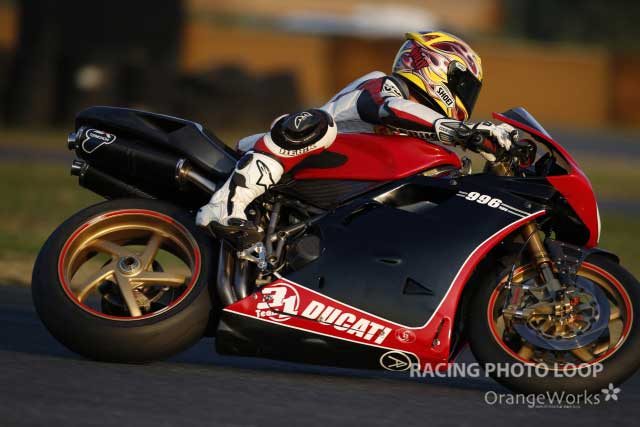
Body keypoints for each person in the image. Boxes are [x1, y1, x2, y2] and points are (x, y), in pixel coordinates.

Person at [196, 31, 517, 228]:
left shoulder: (420, 137)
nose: (465, 98)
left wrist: (499, 164)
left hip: (329, 193)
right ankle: (226, 203)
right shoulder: (383, 86)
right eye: (463, 85)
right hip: (290, 164)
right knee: (319, 124)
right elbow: (389, 109)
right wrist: (463, 131)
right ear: (436, 67)